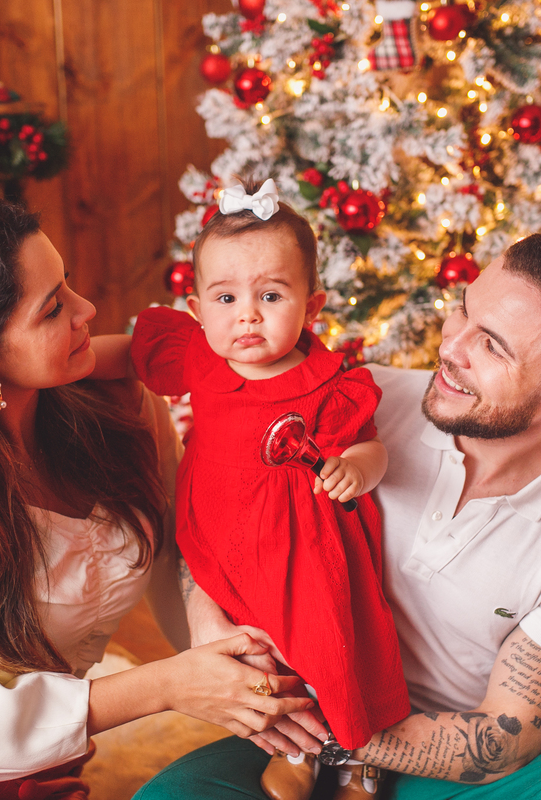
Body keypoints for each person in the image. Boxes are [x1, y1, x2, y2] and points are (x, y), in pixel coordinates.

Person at [136, 232, 541, 799]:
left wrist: (340, 730)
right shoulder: (353, 403)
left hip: (425, 762)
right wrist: (209, 631)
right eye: (463, 310)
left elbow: (502, 740)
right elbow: (218, 510)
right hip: (283, 723)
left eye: (494, 347)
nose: (451, 346)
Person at [0, 196, 315, 800]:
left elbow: (187, 546)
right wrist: (171, 685)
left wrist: (224, 652)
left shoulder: (118, 404)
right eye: (53, 309)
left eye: (67, 284)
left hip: (52, 753)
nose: (87, 310)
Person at [128, 179, 411, 800]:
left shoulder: (325, 383)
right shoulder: (201, 356)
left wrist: (359, 469)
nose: (247, 314)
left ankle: (356, 758)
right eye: (225, 297)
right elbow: (126, 354)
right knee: (256, 655)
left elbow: (370, 444)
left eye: (271, 295)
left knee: (324, 653)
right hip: (222, 537)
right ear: (198, 309)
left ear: (312, 307)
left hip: (303, 550)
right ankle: (295, 748)